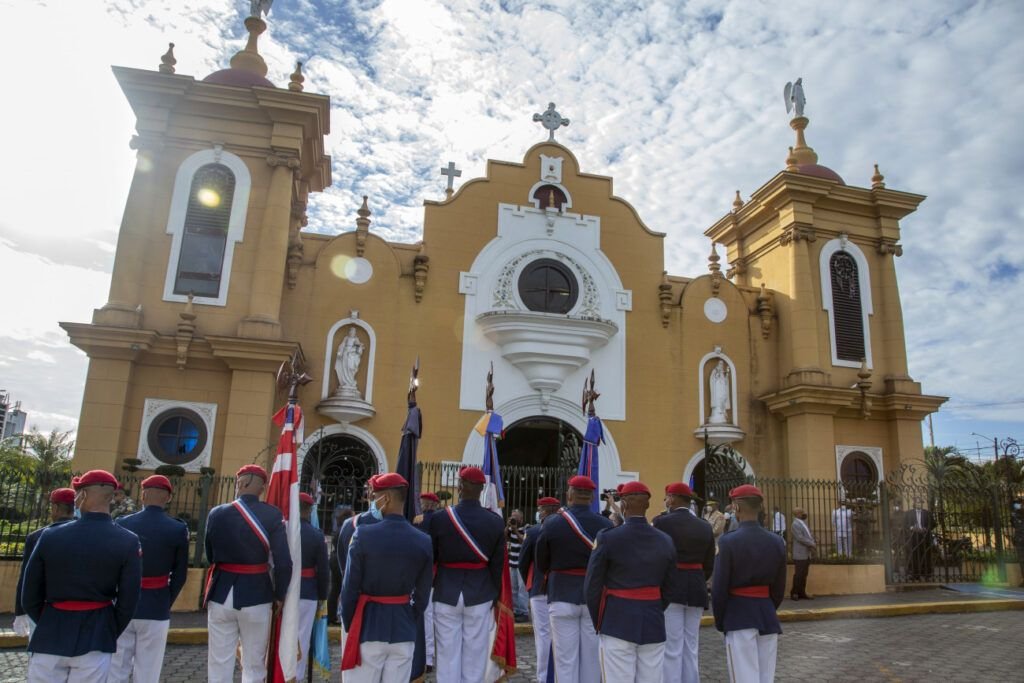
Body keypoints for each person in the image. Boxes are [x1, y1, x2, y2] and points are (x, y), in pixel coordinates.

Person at [22, 470, 142, 682]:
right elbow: (128, 600)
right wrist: (109, 628)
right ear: (111, 497)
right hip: (97, 633)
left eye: (77, 495)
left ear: (83, 496)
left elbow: (29, 595)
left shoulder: (50, 536)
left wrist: (49, 619)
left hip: (51, 630)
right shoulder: (127, 541)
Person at [203, 464, 292, 683]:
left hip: (221, 591)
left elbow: (210, 553)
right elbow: (283, 563)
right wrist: (280, 595)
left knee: (219, 662)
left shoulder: (217, 513)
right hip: (257, 594)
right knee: (253, 663)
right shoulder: (272, 515)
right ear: (262, 488)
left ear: (240, 482)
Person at [340, 473, 432, 681]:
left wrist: (350, 623)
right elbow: (423, 593)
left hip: (367, 626)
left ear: (387, 498)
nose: (372, 501)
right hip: (403, 629)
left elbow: (349, 589)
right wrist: (409, 618)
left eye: (375, 496)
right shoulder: (423, 540)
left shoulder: (363, 535)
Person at [583, 480, 676, 682]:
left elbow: (592, 585)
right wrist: (654, 606)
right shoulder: (665, 540)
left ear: (623, 505)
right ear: (648, 505)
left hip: (617, 620)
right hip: (653, 620)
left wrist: (600, 620)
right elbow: (670, 587)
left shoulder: (608, 537)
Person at [108, 475, 190, 683]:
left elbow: (112, 566)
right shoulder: (178, 528)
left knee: (117, 666)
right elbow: (180, 574)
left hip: (122, 603)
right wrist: (165, 599)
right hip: (156, 604)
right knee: (148, 669)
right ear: (168, 498)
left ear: (143, 495)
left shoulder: (122, 523)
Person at [429, 466, 505, 683]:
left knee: (447, 653)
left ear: (460, 487)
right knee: (475, 654)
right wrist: (494, 593)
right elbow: (497, 565)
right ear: (481, 490)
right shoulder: (495, 521)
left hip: (446, 590)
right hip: (480, 591)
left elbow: (432, 557)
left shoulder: (440, 518)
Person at [535, 475, 613, 683]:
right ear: (592, 496)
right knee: (591, 660)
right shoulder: (605, 524)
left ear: (569, 494)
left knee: (565, 660)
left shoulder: (552, 523)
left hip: (561, 593)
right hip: (593, 597)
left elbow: (541, 561)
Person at [711, 484, 787, 683]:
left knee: (744, 677)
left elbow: (719, 588)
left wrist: (720, 619)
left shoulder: (728, 542)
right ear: (760, 508)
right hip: (767, 614)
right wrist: (769, 607)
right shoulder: (777, 541)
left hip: (738, 615)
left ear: (736, 507)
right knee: (765, 677)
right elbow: (779, 587)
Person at [652, 482, 715, 683]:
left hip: (671, 588)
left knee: (672, 646)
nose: (666, 501)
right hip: (696, 587)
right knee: (691, 644)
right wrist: (697, 578)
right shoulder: (705, 526)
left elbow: (658, 558)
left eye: (667, 497)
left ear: (672, 498)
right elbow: (709, 563)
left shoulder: (662, 522)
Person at [13, 487, 76, 637]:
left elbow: (26, 578)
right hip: (79, 610)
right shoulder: (88, 536)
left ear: (54, 507)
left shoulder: (37, 536)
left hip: (43, 607)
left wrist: (20, 611)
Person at [518, 495, 561, 683]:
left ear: (543, 511)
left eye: (540, 510)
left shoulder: (534, 532)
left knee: (543, 635)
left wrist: (530, 583)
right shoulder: (564, 529)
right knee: (561, 636)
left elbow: (522, 561)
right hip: (560, 588)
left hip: (538, 587)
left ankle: (544, 677)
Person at [296, 492, 329, 682]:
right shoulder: (316, 536)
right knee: (302, 637)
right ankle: (297, 677)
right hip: (307, 592)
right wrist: (322, 595)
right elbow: (323, 571)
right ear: (309, 511)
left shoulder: (281, 529)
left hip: (282, 592)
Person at [413, 491, 441, 671]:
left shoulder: (419, 520)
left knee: (426, 614)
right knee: (429, 615)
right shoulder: (439, 520)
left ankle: (427, 656)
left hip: (421, 571)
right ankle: (429, 656)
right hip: (434, 571)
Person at [327, 504, 353, 625]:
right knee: (342, 588)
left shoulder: (339, 529)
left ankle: (331, 616)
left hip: (333, 559)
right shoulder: (346, 529)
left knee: (335, 589)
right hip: (339, 561)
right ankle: (340, 614)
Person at [506, 508, 529, 621]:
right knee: (513, 589)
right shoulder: (510, 529)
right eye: (512, 516)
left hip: (522, 565)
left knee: (522, 590)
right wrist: (508, 527)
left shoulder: (526, 528)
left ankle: (524, 612)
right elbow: (503, 538)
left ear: (521, 518)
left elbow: (524, 542)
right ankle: (515, 611)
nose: (514, 518)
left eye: (516, 517)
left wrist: (515, 530)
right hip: (512, 563)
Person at [790, 507, 816, 601]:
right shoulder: (795, 524)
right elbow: (800, 538)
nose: (804, 513)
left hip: (806, 553)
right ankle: (794, 593)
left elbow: (809, 535)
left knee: (804, 574)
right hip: (800, 553)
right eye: (802, 512)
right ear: (797, 514)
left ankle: (802, 592)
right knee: (799, 574)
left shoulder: (803, 523)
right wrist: (812, 543)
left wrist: (813, 540)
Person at [904, 497, 934, 580]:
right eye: (917, 502)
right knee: (914, 555)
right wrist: (912, 528)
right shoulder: (908, 513)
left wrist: (926, 528)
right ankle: (914, 574)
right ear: (914, 504)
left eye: (920, 503)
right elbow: (904, 524)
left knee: (925, 554)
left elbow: (933, 524)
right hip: (913, 536)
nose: (919, 504)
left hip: (924, 536)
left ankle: (927, 574)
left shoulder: (927, 513)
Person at [1011, 498, 1024, 587]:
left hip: (1020, 538)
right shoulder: (1015, 515)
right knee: (1022, 560)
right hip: (1019, 540)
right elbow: (1014, 525)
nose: (1018, 506)